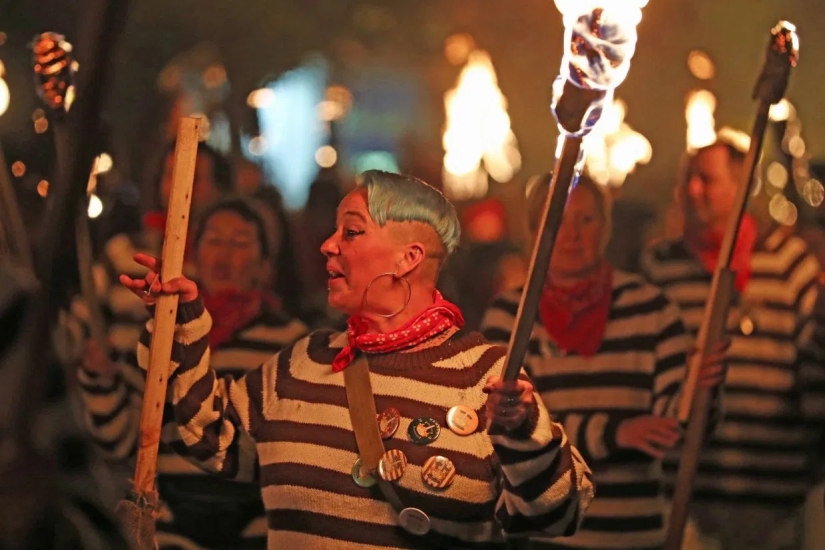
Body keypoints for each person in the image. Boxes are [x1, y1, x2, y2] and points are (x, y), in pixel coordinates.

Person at [119, 170, 595, 549]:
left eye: (351, 231)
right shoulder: (301, 363)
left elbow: (558, 514)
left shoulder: (483, 373)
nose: (328, 244)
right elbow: (214, 441)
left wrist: (522, 431)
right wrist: (179, 324)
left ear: (407, 258)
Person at [481, 174, 725, 550]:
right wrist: (615, 433)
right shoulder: (509, 317)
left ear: (606, 227)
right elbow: (503, 428)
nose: (571, 234)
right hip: (545, 535)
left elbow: (678, 430)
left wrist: (702, 387)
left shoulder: (653, 310)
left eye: (586, 220)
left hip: (634, 535)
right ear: (534, 231)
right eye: (557, 221)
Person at [77, 196, 307, 548]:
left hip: (257, 525)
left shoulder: (290, 343)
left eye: (240, 243)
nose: (224, 255)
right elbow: (119, 441)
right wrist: (100, 379)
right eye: (213, 240)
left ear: (264, 264)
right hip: (172, 524)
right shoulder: (164, 335)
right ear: (195, 254)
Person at [641, 139, 825, 550]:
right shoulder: (661, 268)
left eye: (706, 179)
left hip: (775, 501)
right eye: (688, 179)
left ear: (742, 186)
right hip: (685, 502)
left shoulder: (787, 263)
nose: (692, 191)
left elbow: (814, 373)